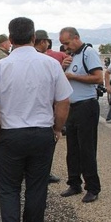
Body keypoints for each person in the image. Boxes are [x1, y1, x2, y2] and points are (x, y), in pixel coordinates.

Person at [0, 17, 71, 222]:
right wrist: (57, 129)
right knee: (37, 186)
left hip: (10, 135)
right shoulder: (51, 65)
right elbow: (63, 100)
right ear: (33, 38)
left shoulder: (1, 67)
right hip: (42, 134)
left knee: (9, 189)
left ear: (10, 40)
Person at [59, 27, 103, 203]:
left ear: (76, 38)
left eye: (68, 43)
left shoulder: (88, 53)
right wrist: (63, 69)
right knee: (73, 149)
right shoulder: (72, 57)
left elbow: (98, 78)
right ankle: (74, 182)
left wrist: (73, 77)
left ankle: (92, 187)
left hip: (87, 106)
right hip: (72, 107)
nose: (66, 47)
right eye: (63, 44)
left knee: (86, 149)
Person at [34, 30, 69, 184]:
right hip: (42, 114)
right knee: (43, 152)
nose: (48, 45)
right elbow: (63, 99)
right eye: (47, 42)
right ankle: (43, 174)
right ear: (42, 42)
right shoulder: (46, 61)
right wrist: (58, 128)